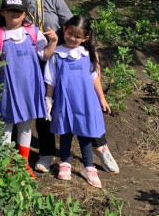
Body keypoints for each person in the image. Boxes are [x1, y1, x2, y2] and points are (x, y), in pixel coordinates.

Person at [0, 0, 119, 174]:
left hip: (59, 58)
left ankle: (101, 148)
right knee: (42, 109)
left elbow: (75, 25)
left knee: (83, 103)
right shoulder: (13, 1)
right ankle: (47, 153)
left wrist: (90, 51)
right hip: (28, 63)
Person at [0, 0, 58, 178]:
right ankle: (6, 163)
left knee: (26, 125)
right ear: (2, 12)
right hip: (7, 90)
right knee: (6, 126)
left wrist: (54, 43)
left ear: (25, 13)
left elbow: (44, 55)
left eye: (18, 12)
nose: (14, 15)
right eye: (10, 11)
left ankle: (23, 162)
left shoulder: (32, 32)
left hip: (29, 88)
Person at [45, 16, 110, 188]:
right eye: (70, 34)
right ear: (64, 29)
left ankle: (88, 167)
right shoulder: (57, 54)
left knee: (85, 134)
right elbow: (51, 79)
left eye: (77, 36)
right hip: (64, 101)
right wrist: (48, 99)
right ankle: (65, 164)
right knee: (65, 133)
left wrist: (101, 98)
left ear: (85, 38)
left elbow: (94, 77)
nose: (72, 39)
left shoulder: (87, 54)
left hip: (85, 102)